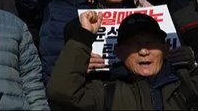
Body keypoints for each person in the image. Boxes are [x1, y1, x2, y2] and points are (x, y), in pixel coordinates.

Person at [47, 11, 198, 110]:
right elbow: (62, 93)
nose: (144, 51)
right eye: (134, 44)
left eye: (151, 43)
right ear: (118, 52)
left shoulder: (186, 82)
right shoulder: (104, 90)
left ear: (165, 49)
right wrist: (84, 36)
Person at [18, 0, 90, 83]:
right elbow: (26, 1)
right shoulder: (46, 5)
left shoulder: (93, 7)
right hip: (55, 81)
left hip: (89, 80)